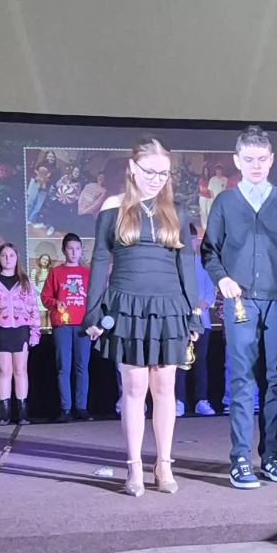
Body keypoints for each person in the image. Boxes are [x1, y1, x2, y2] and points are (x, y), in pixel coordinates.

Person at [82, 135, 202, 496]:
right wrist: (92, 312)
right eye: (150, 171)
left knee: (165, 389)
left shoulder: (176, 211)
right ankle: (134, 466)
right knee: (134, 389)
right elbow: (99, 261)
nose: (156, 179)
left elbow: (186, 264)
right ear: (133, 168)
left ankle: (163, 464)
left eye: (163, 173)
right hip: (128, 307)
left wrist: (193, 313)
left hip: (168, 307)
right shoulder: (112, 208)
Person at [201, 124, 277, 490]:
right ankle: (241, 459)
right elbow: (209, 251)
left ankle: (272, 456)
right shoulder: (225, 203)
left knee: (273, 379)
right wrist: (221, 279)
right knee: (242, 378)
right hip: (241, 302)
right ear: (237, 161)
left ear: (272, 159)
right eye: (248, 159)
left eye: (262, 159)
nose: (256, 165)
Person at [0, 243, 41, 425]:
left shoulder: (24, 281)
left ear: (17, 258)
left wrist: (35, 332)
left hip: (21, 330)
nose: (7, 259)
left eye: (11, 256)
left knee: (20, 370)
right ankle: (4, 411)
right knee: (4, 370)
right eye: (4, 255)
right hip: (1, 330)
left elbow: (33, 308)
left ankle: (23, 411)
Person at [41, 232, 91, 422]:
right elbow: (45, 297)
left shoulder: (87, 273)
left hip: (82, 325)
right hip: (62, 325)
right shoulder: (56, 272)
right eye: (70, 248)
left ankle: (81, 407)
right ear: (64, 250)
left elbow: (94, 297)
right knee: (64, 366)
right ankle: (66, 408)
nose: (74, 252)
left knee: (82, 366)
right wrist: (56, 303)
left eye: (77, 248)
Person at [175, 224, 216, 417]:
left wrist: (202, 304)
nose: (189, 243)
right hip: (180, 321)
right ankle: (179, 400)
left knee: (200, 362)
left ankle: (201, 400)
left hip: (202, 321)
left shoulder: (202, 263)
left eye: (192, 239)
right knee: (179, 362)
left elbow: (210, 292)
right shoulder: (174, 264)